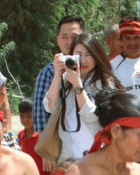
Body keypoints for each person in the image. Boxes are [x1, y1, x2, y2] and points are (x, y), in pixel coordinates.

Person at [46, 31, 125, 167]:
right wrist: (58, 74)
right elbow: (49, 107)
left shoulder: (104, 82)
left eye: (88, 55)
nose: (83, 60)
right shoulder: (66, 79)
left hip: (97, 153)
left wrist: (77, 84)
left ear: (96, 56)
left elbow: (91, 116)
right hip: (68, 155)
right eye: (78, 55)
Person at [31, 15, 86, 133]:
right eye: (64, 37)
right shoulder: (49, 72)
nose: (69, 42)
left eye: (74, 37)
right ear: (57, 40)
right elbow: (40, 114)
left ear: (84, 38)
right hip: (60, 140)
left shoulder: (93, 69)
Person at [15, 99, 53, 175]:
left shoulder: (41, 136)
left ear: (35, 115)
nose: (25, 120)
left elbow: (52, 158)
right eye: (22, 116)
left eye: (29, 116)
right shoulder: (20, 135)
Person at [111, 17, 140, 100]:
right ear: (121, 41)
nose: (132, 43)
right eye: (127, 38)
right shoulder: (113, 66)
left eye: (136, 37)